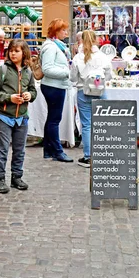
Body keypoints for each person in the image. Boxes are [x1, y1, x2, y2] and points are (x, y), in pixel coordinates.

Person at [0, 39, 37, 194]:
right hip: (4, 116)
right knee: (2, 149)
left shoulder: (28, 72)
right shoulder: (2, 70)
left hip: (22, 116)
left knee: (20, 149)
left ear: (24, 53)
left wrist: (30, 95)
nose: (13, 53)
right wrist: (10, 98)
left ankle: (16, 177)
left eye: (17, 51)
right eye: (11, 50)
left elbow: (33, 90)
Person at [70, 30, 112, 167]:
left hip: (83, 92)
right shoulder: (103, 57)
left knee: (87, 125)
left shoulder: (78, 58)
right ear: (96, 40)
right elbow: (109, 75)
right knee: (101, 124)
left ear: (81, 40)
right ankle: (103, 154)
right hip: (100, 92)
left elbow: (73, 78)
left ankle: (88, 156)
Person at [40, 18, 73, 162]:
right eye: (63, 30)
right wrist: (67, 73)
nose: (66, 33)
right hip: (53, 86)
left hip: (56, 85)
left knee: (52, 118)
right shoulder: (51, 47)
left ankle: (48, 150)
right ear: (56, 31)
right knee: (54, 119)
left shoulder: (57, 46)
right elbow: (47, 69)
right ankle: (57, 151)